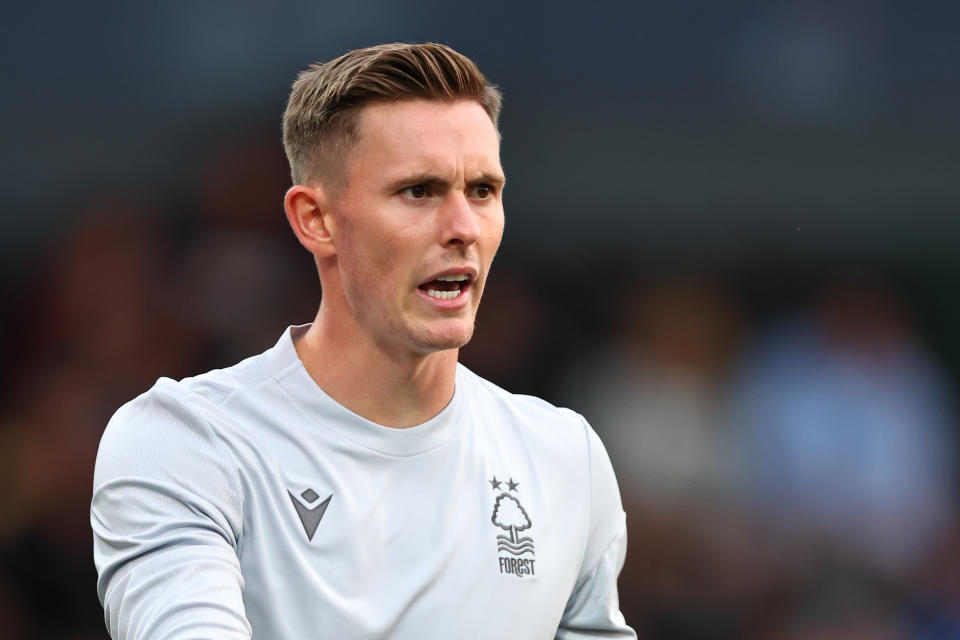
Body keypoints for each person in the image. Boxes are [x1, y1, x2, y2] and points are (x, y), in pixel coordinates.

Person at [91, 42, 634, 639]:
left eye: (482, 190)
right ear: (315, 220)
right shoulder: (186, 442)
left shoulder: (564, 457)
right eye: (418, 191)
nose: (463, 229)